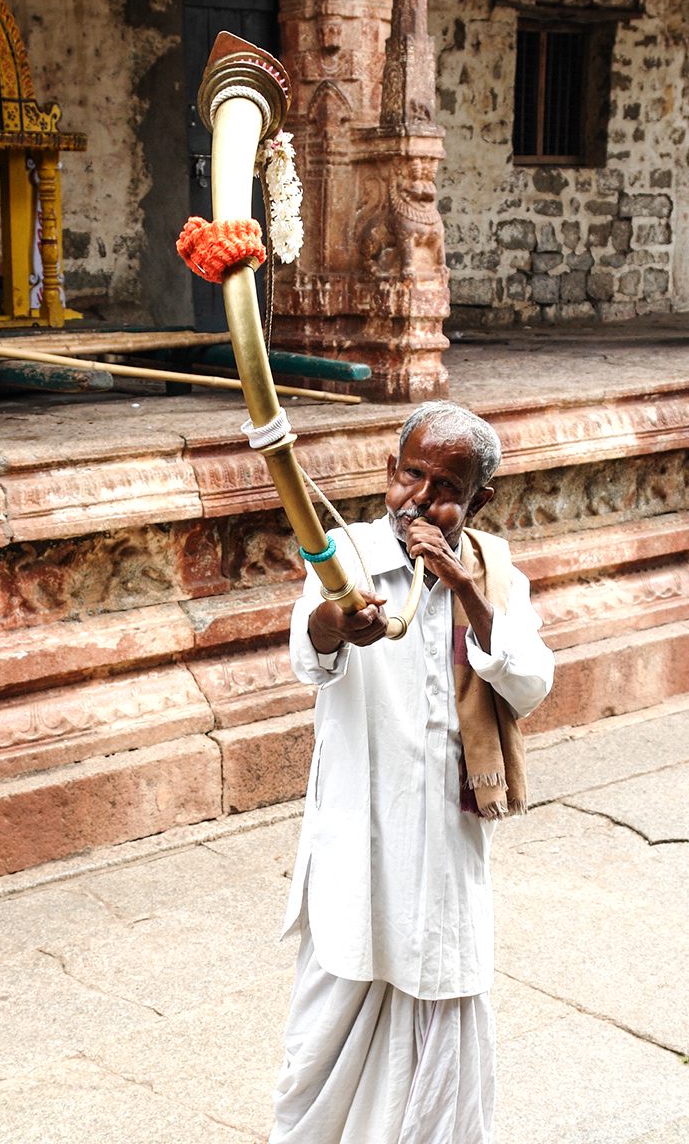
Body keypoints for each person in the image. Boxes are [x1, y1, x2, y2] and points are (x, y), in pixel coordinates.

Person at [269, 400, 555, 1144]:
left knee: (444, 1010)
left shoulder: (492, 569)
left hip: (447, 843)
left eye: (446, 487)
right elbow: (310, 650)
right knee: (323, 1037)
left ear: (481, 499)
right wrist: (339, 620)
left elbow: (529, 682)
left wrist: (464, 588)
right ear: (389, 473)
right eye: (411, 477)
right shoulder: (344, 552)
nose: (421, 501)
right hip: (357, 839)